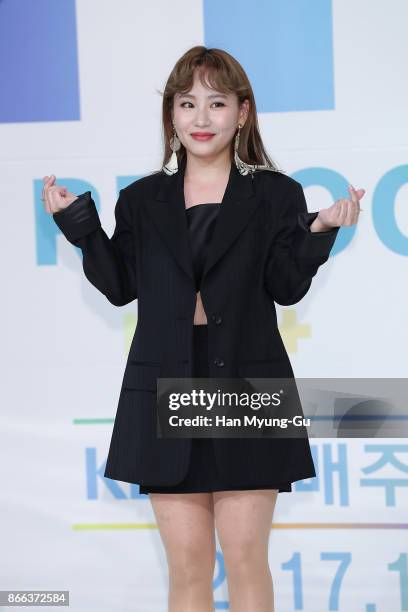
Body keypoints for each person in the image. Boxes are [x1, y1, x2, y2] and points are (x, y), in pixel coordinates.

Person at [43, 46, 365, 612]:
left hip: (247, 381)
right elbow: (120, 285)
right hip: (166, 383)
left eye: (217, 103)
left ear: (242, 113)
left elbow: (286, 286)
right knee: (188, 569)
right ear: (171, 115)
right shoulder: (142, 199)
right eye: (187, 103)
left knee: (245, 561)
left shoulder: (274, 194)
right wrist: (79, 224)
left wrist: (319, 229)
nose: (200, 118)